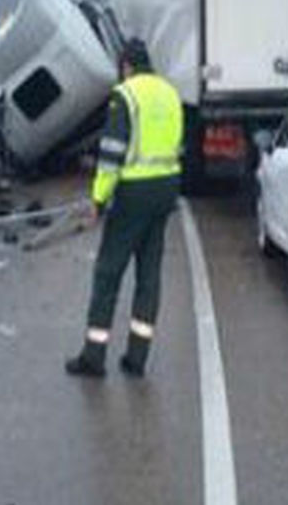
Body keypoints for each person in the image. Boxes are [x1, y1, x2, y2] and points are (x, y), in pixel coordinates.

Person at [66, 38, 183, 377]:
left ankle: (93, 355)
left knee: (108, 272)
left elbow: (112, 154)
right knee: (149, 274)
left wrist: (98, 200)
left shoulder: (126, 95)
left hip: (133, 193)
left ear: (126, 66)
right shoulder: (169, 93)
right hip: (166, 189)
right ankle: (137, 357)